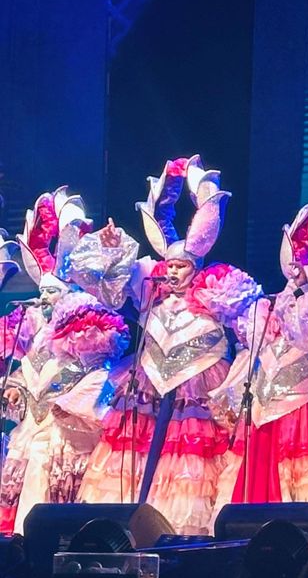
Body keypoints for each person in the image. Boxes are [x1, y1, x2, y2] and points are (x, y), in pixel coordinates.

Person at [76, 156, 259, 534]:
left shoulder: (216, 294)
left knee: (186, 456)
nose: (173, 272)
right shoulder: (149, 293)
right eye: (169, 267)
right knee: (136, 450)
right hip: (149, 384)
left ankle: (175, 529)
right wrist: (111, 250)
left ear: (196, 267)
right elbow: (104, 288)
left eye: (181, 267)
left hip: (197, 382)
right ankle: (122, 526)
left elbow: (252, 330)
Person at [214, 192, 308, 509]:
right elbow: (252, 347)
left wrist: (306, 289)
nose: (295, 268)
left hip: (306, 404)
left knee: (302, 479)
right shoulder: (270, 306)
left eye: (302, 264)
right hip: (265, 404)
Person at [0, 189, 129, 534]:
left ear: (67, 296)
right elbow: (26, 372)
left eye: (51, 293)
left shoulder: (83, 329)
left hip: (65, 429)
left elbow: (98, 369)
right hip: (32, 427)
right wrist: (14, 389)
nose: (44, 300)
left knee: (54, 487)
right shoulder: (31, 331)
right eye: (41, 294)